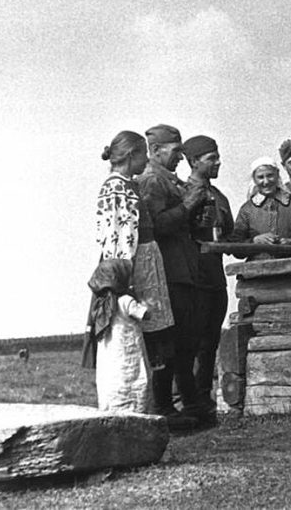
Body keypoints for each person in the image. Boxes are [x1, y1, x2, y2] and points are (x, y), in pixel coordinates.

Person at [85, 130, 177, 419]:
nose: (147, 160)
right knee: (136, 330)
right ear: (131, 155)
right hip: (133, 267)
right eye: (143, 155)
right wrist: (124, 280)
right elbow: (118, 234)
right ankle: (138, 406)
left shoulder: (128, 185)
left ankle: (155, 404)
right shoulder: (116, 188)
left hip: (145, 261)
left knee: (151, 331)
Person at [138, 124, 210, 427]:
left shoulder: (167, 180)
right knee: (170, 343)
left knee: (185, 342)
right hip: (169, 273)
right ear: (156, 150)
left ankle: (186, 405)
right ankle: (165, 408)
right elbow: (157, 226)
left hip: (183, 271)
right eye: (176, 150)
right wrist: (189, 204)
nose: (181, 157)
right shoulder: (152, 180)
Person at [182, 135, 234, 423]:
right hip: (193, 279)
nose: (218, 162)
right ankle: (186, 403)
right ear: (194, 162)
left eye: (218, 157)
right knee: (191, 342)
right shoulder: (181, 193)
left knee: (210, 342)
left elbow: (230, 235)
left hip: (215, 279)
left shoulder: (220, 197)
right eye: (211, 158)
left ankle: (204, 399)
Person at [88, 258, 150, 413]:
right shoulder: (126, 301)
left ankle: (112, 407)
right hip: (128, 348)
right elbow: (145, 315)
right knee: (133, 374)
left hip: (110, 353)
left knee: (113, 376)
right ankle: (134, 408)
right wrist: (144, 302)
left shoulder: (101, 305)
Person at [230, 156, 291, 261]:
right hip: (257, 269)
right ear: (254, 179)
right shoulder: (247, 210)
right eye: (260, 177)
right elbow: (236, 249)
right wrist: (255, 241)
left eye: (270, 175)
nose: (266, 181)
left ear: (277, 174)